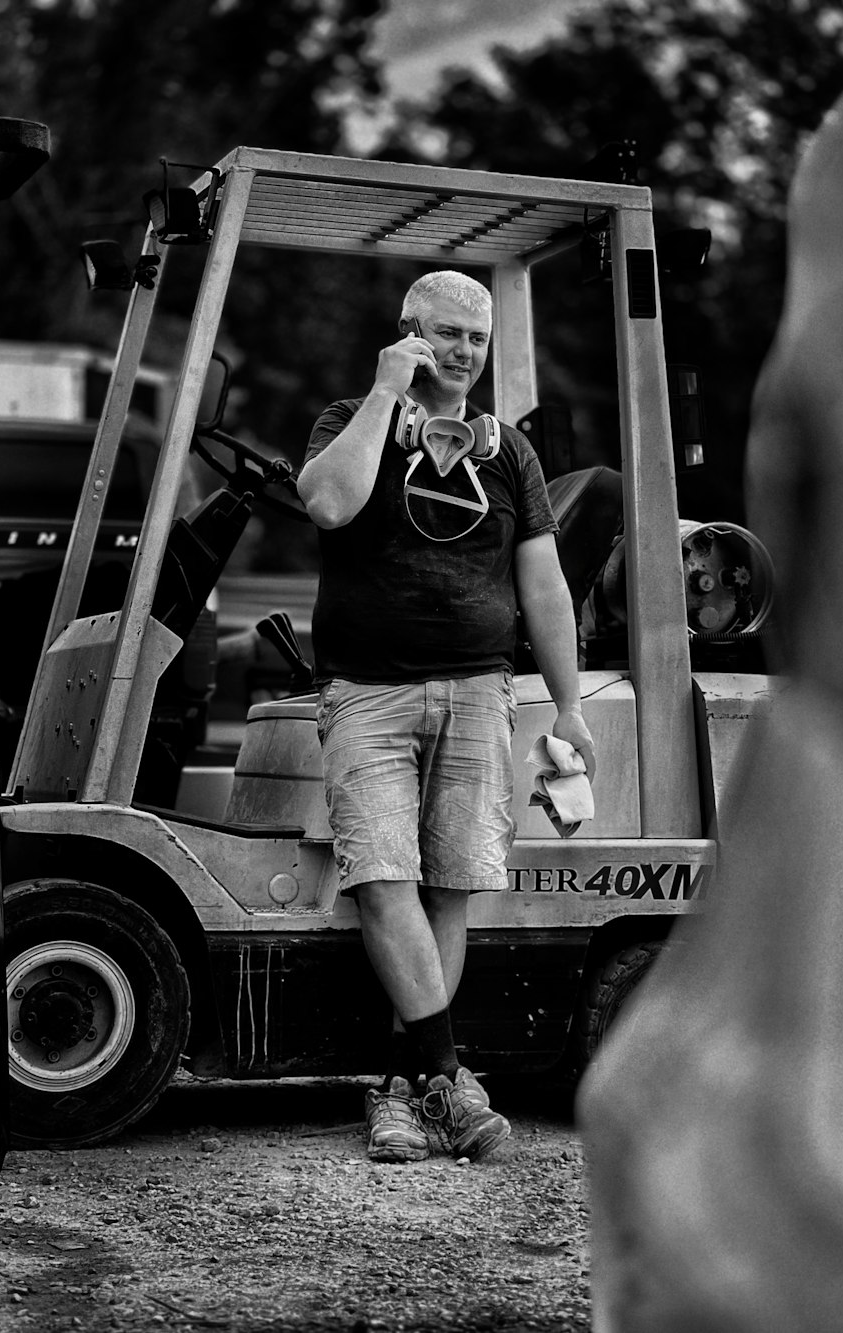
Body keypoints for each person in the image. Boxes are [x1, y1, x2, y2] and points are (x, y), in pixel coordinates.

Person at [297, 269, 596, 1164]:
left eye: (477, 337)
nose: (464, 352)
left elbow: (542, 584)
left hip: (477, 690)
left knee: (450, 887)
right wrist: (388, 391)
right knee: (382, 875)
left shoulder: (509, 453)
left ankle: (403, 1090)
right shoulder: (351, 421)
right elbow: (327, 501)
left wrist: (572, 705)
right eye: (446, 334)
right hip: (367, 692)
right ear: (408, 335)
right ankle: (450, 1081)